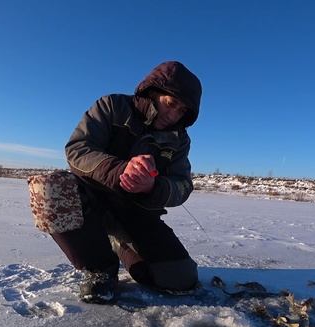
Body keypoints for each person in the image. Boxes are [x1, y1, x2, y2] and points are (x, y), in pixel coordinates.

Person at [51, 61, 202, 303]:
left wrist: (153, 187)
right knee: (49, 187)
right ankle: (99, 269)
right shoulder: (111, 105)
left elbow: (183, 185)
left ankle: (120, 244)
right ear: (152, 91)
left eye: (182, 110)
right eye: (171, 103)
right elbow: (77, 149)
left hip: (137, 212)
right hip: (91, 201)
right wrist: (121, 169)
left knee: (181, 278)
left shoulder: (180, 140)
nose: (174, 115)